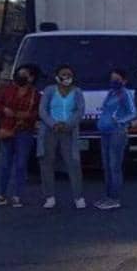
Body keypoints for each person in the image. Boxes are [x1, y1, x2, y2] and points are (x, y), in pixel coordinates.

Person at [0, 65, 40, 208]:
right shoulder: (8, 90)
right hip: (7, 129)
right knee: (5, 164)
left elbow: (38, 113)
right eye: (19, 73)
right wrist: (5, 110)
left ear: (31, 78)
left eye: (24, 74)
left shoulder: (35, 95)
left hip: (24, 132)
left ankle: (18, 195)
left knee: (21, 164)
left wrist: (25, 115)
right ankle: (2, 194)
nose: (20, 76)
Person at [38, 64, 86, 210]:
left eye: (69, 75)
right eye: (63, 74)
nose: (66, 77)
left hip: (68, 131)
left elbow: (80, 110)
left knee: (73, 163)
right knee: (47, 162)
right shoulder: (49, 90)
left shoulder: (77, 92)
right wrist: (53, 124)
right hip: (50, 130)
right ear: (57, 76)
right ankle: (49, 196)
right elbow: (42, 110)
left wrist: (68, 124)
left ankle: (78, 197)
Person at [95, 69, 137, 211]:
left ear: (124, 81)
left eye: (117, 79)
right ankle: (108, 196)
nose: (114, 81)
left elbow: (133, 113)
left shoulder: (125, 94)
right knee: (106, 165)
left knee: (114, 166)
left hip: (117, 133)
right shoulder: (111, 93)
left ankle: (115, 198)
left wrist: (119, 121)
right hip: (105, 132)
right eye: (112, 78)